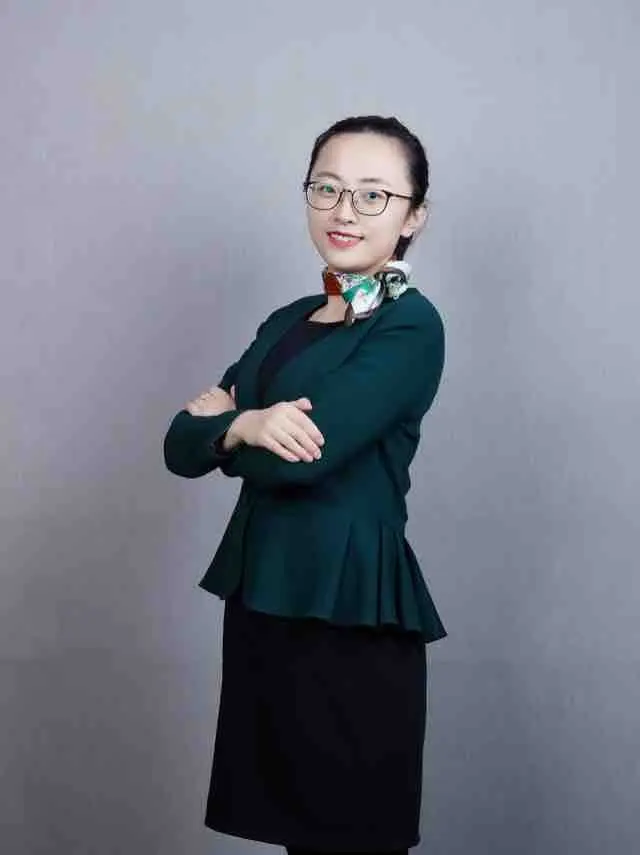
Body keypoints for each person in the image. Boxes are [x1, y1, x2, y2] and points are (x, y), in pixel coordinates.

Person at [163, 115, 447, 855]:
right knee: (297, 838)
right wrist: (248, 426)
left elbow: (304, 459)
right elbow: (179, 446)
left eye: (373, 194)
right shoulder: (287, 321)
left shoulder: (410, 325)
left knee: (350, 838)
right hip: (265, 604)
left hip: (348, 611)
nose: (344, 210)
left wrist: (229, 426)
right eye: (327, 187)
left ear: (414, 215)